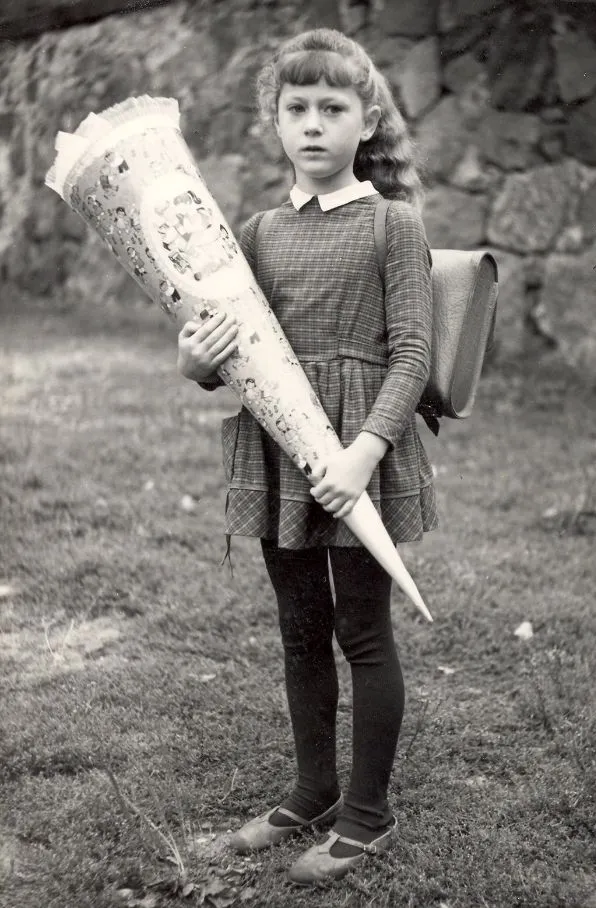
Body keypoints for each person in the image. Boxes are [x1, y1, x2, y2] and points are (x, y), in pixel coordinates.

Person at [176, 27, 436, 885]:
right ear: (275, 122)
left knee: (362, 632)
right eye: (298, 108)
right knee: (299, 635)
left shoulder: (392, 226)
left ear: (367, 123)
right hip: (280, 455)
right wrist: (196, 353)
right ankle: (312, 790)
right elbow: (222, 364)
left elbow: (411, 356)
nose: (314, 124)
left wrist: (363, 454)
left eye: (333, 108)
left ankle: (369, 814)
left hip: (358, 454)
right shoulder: (256, 231)